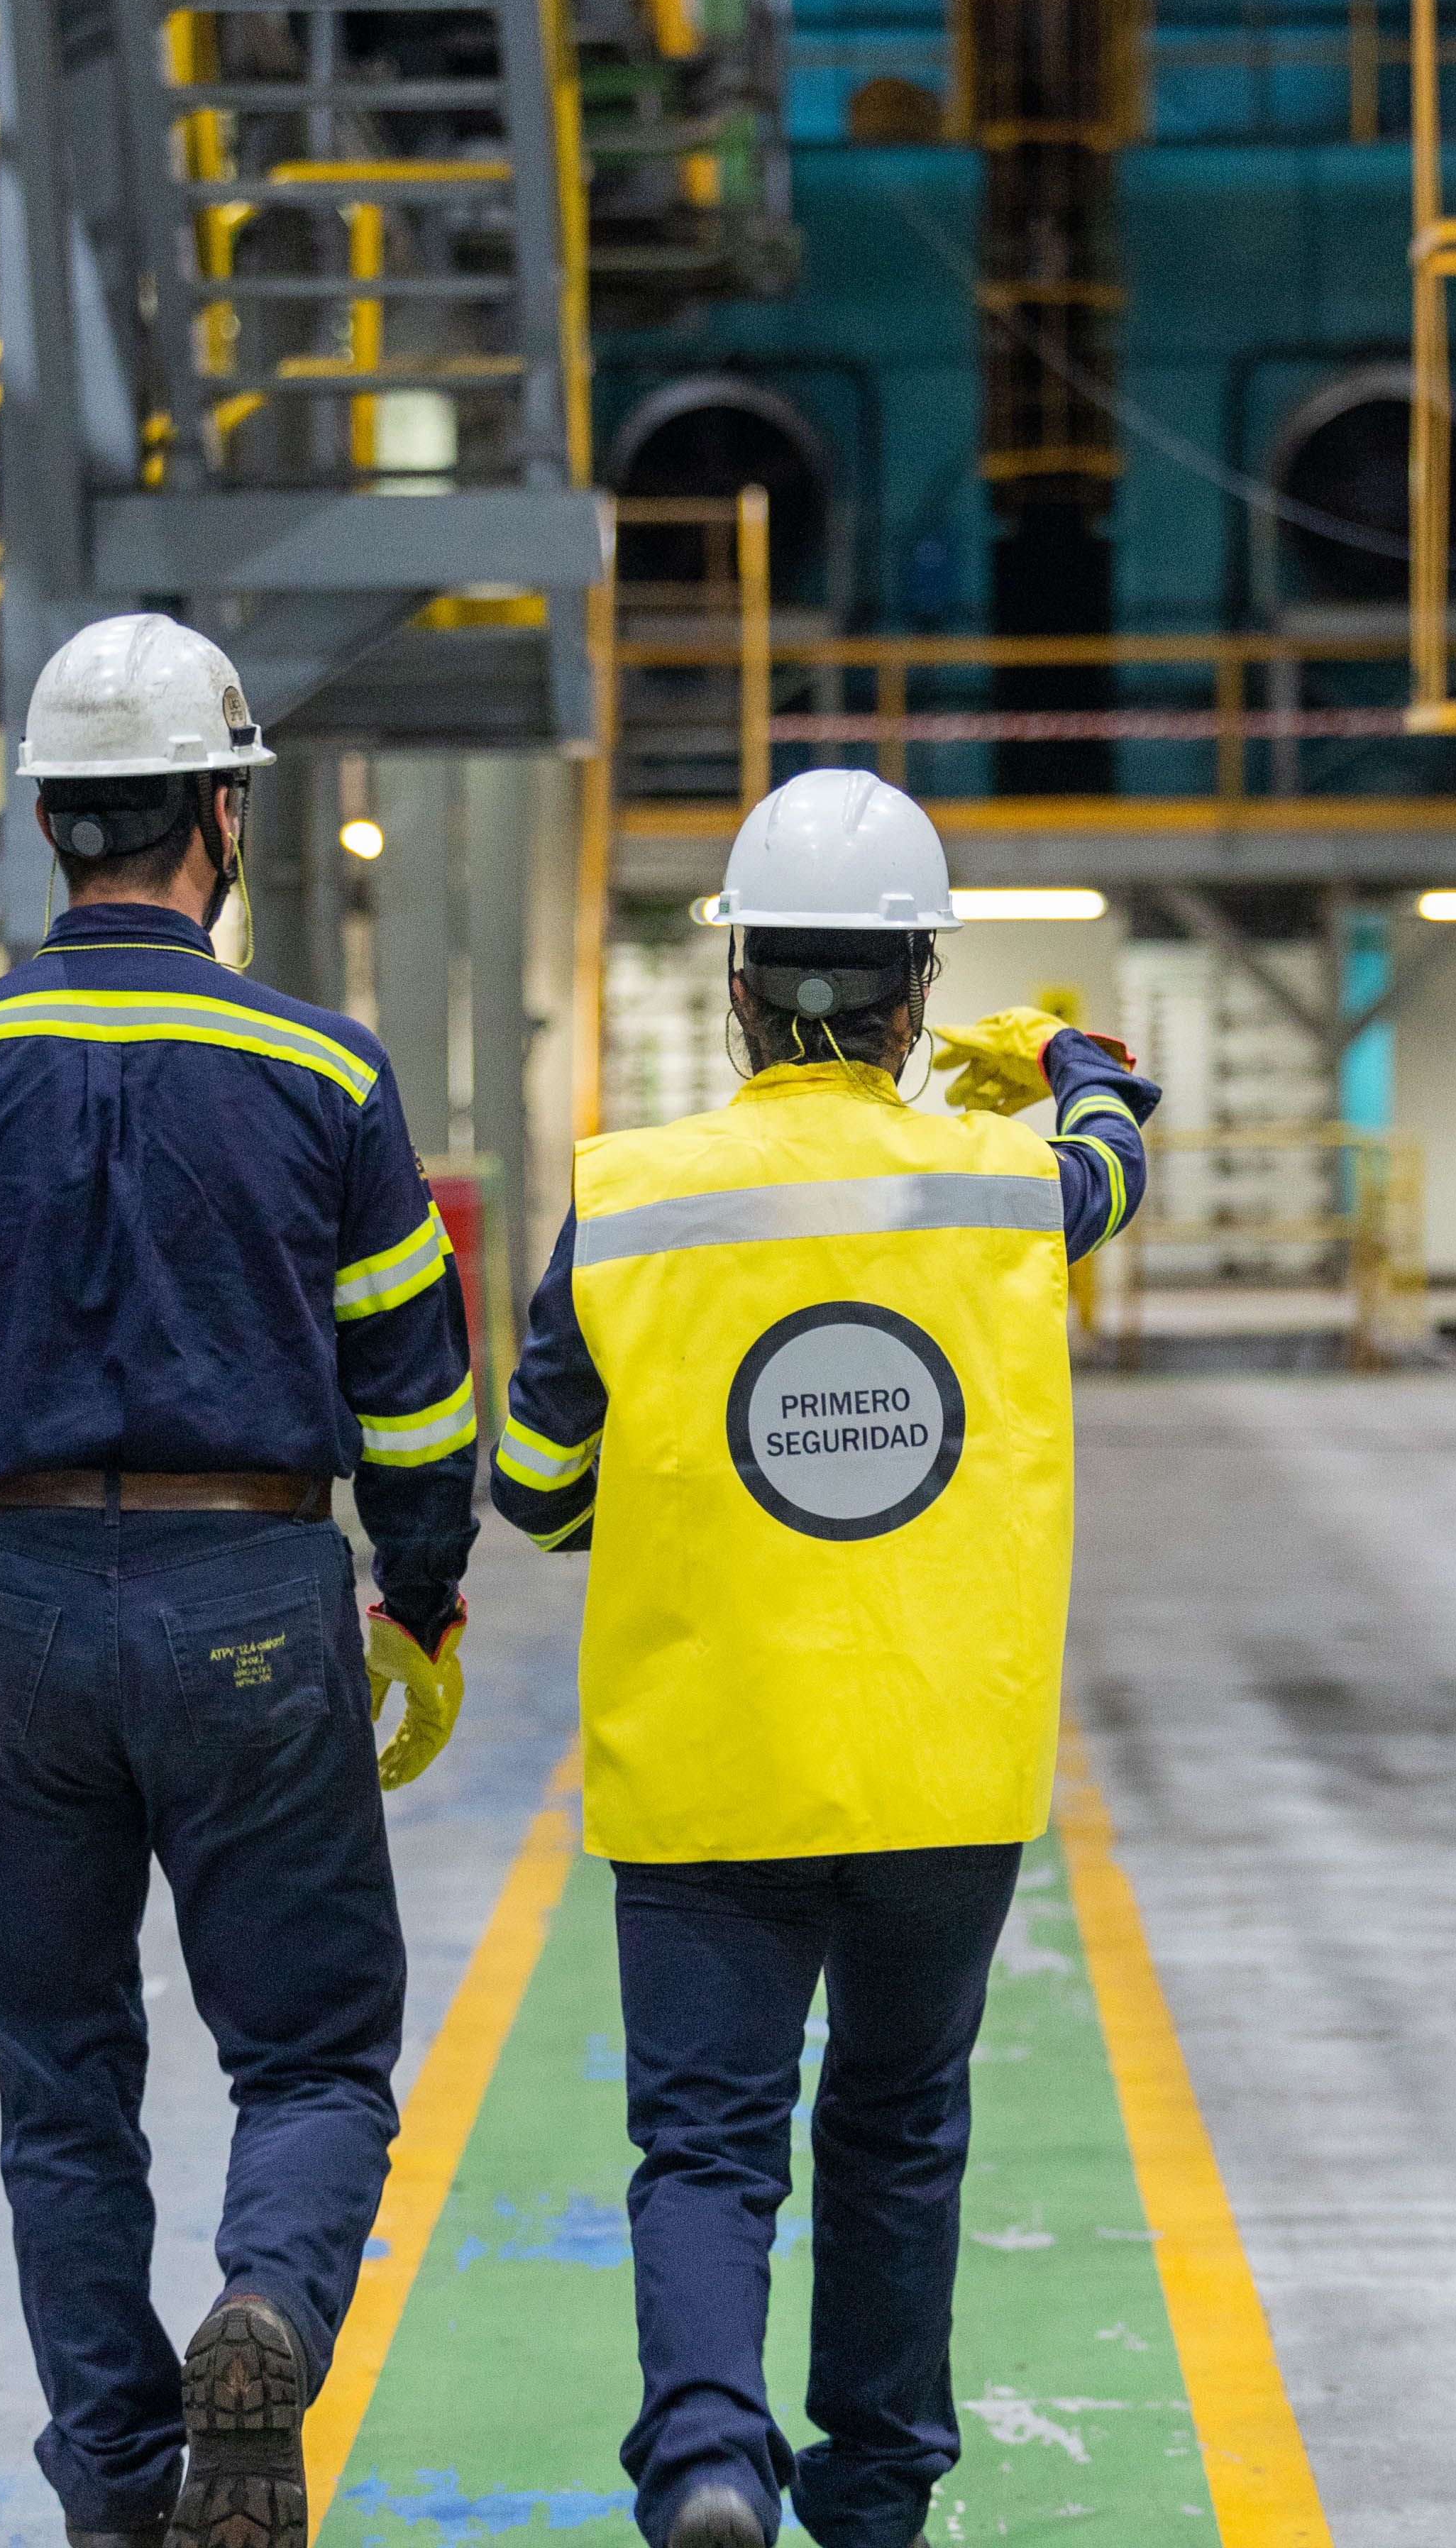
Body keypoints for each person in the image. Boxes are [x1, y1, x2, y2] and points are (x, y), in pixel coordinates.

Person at [0, 612, 480, 2548]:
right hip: (250, 1587)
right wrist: (419, 1602)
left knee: (62, 2079)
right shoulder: (324, 1073)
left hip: (12, 1608)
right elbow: (416, 1400)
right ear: (221, 818)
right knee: (313, 2052)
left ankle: (114, 2486)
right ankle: (266, 2313)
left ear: (53, 823)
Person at [486, 770, 1159, 2548]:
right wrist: (1070, 1064)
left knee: (707, 2144)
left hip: (710, 1762)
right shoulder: (1010, 1189)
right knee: (898, 2126)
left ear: (736, 987)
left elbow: (536, 1490)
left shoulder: (630, 1201)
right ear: (916, 993)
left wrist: (690, 1487)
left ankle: (712, 2458)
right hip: (946, 1770)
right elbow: (1114, 1157)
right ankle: (875, 2501)